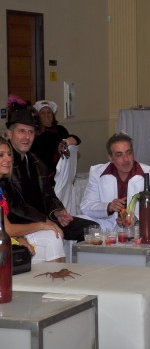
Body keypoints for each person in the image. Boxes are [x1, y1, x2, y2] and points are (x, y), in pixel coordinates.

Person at [5, 109, 93, 242]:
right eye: (22, 131)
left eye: (31, 132)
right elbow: (12, 205)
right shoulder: (4, 164)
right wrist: (43, 220)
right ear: (10, 134)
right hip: (21, 224)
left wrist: (58, 211)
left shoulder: (37, 163)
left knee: (91, 229)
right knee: (54, 236)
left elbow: (48, 194)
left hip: (44, 218)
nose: (27, 137)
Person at [80, 133, 150, 231]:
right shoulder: (97, 173)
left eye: (129, 153)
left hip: (138, 227)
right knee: (77, 220)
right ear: (110, 158)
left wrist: (136, 219)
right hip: (106, 226)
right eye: (119, 155)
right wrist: (108, 206)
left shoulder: (148, 172)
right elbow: (86, 206)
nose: (126, 159)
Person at [0, 137, 65, 263]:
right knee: (52, 237)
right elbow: (7, 230)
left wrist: (19, 238)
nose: (8, 159)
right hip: (4, 242)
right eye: (1, 155)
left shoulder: (1, 186)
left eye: (9, 154)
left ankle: (57, 274)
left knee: (53, 236)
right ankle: (56, 274)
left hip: (7, 239)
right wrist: (41, 225)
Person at [30, 100, 81, 179]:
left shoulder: (60, 129)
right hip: (42, 175)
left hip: (61, 173)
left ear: (53, 115)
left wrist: (65, 142)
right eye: (43, 113)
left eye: (49, 112)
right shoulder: (33, 133)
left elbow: (76, 140)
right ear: (38, 116)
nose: (46, 115)